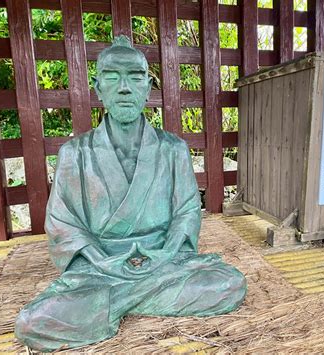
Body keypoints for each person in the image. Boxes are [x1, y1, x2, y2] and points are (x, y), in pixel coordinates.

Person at [14, 36, 247, 352]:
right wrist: (103, 261)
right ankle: (135, 297)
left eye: (135, 77)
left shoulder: (172, 149)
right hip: (99, 267)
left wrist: (165, 253)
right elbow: (63, 225)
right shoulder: (75, 154)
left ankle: (111, 304)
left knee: (230, 283)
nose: (124, 87)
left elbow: (187, 211)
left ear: (148, 88)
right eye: (112, 77)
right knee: (31, 323)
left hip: (164, 260)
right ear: (98, 88)